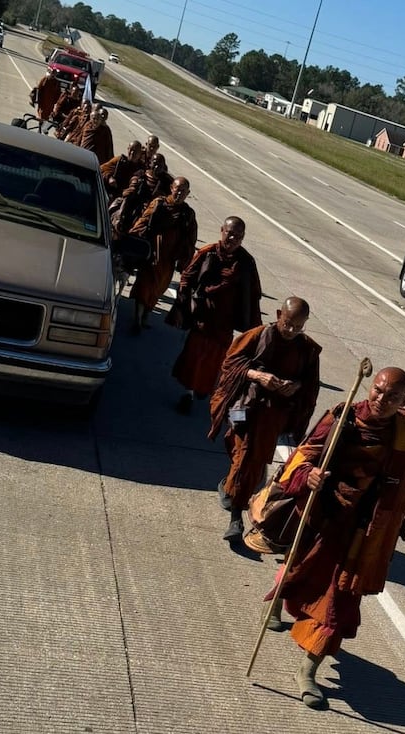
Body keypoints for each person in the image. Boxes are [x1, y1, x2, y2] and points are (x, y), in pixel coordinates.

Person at [263, 366, 405, 709]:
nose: (382, 400)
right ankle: (279, 600)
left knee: (339, 600)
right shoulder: (345, 415)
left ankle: (308, 671)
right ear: (370, 387)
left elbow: (404, 480)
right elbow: (305, 452)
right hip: (325, 514)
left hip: (362, 527)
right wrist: (308, 476)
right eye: (378, 391)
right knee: (299, 570)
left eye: (393, 397)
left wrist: (393, 519)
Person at [208, 296, 321, 541]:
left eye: (298, 326)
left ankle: (233, 503)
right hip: (244, 409)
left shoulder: (307, 349)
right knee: (242, 455)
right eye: (288, 323)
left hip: (273, 417)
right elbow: (230, 364)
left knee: (250, 460)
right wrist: (258, 376)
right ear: (279, 314)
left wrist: (295, 386)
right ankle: (234, 505)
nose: (291, 330)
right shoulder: (258, 336)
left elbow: (310, 384)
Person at [166, 216, 262, 415]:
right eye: (230, 233)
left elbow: (253, 294)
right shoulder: (208, 253)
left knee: (214, 362)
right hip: (202, 319)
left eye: (238, 236)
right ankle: (188, 393)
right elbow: (187, 278)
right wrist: (182, 305)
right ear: (222, 231)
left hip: (224, 324)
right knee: (194, 358)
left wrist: (254, 328)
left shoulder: (245, 262)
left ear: (243, 238)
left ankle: (202, 388)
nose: (233, 238)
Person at [127, 176, 197, 331]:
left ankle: (145, 315)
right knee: (144, 284)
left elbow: (191, 239)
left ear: (188, 193)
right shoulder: (159, 204)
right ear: (172, 188)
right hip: (152, 252)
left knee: (159, 288)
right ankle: (137, 319)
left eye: (183, 191)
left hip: (169, 258)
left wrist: (185, 258)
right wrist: (132, 238)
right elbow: (144, 221)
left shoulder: (187, 214)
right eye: (177, 189)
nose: (179, 193)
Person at [32, 69, 61, 134]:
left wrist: (55, 102)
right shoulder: (45, 79)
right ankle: (39, 130)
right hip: (43, 103)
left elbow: (58, 94)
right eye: (52, 73)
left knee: (47, 118)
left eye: (55, 74)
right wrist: (36, 99)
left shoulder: (57, 83)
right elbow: (38, 89)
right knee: (41, 117)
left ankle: (42, 129)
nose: (53, 75)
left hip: (50, 105)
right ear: (50, 73)